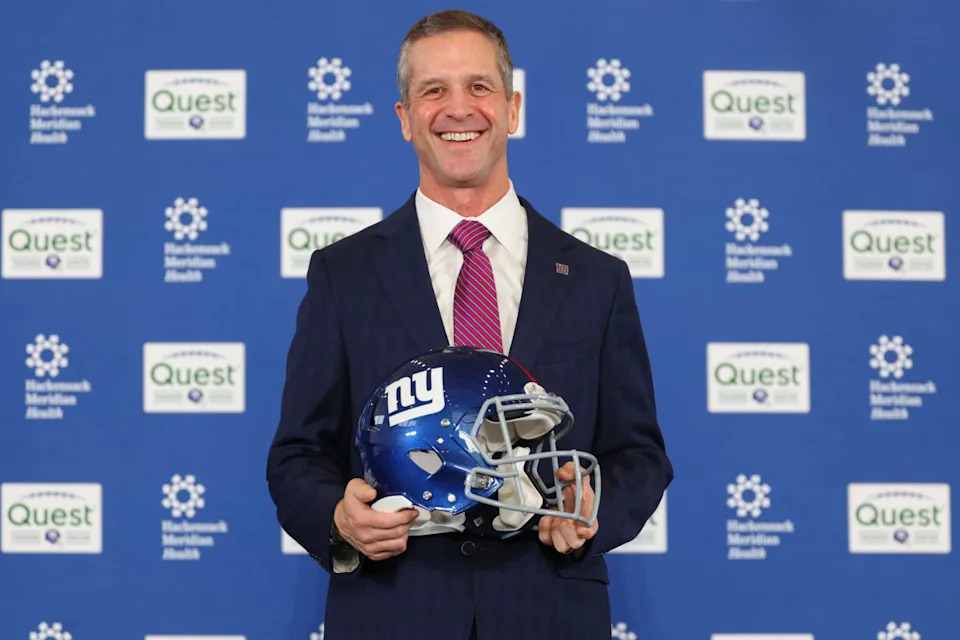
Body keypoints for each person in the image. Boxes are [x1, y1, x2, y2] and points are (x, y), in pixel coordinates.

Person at [267, 10, 672, 640]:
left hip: (550, 613)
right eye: (433, 90)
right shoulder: (342, 274)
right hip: (393, 609)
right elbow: (297, 454)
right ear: (404, 119)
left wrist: (595, 504)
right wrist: (338, 518)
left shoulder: (597, 278)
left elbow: (640, 452)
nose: (459, 109)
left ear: (511, 109)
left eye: (479, 87)